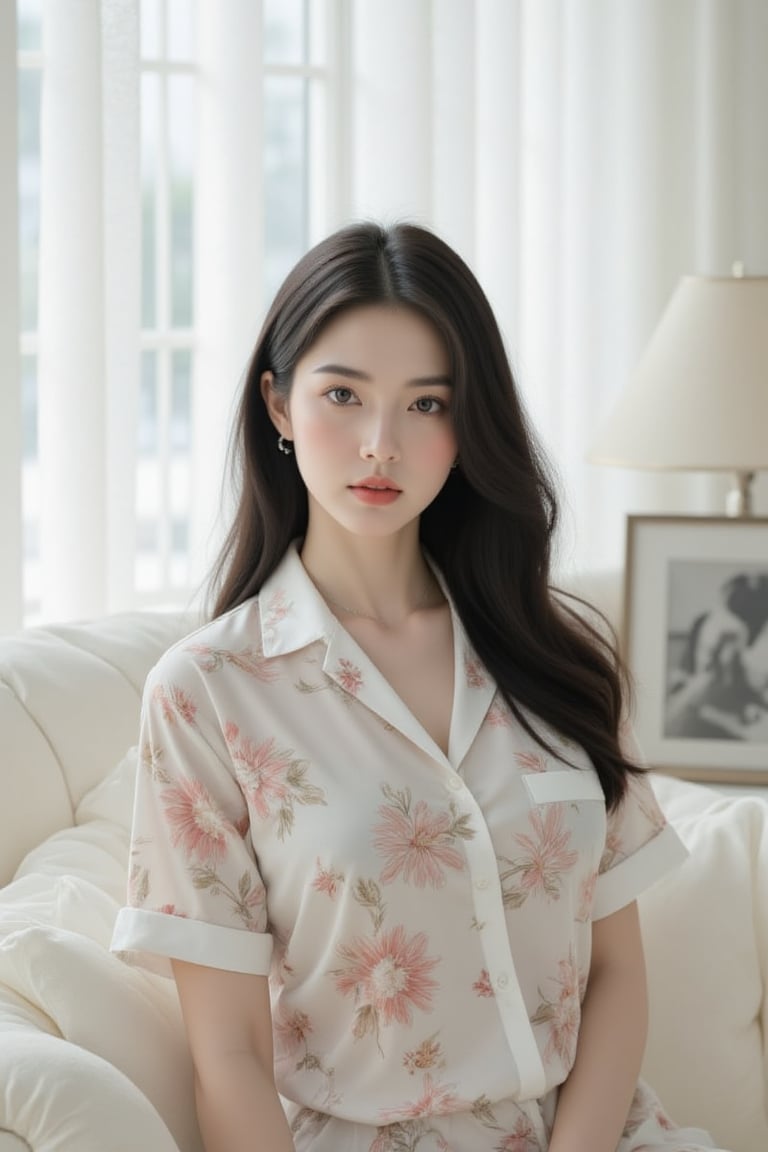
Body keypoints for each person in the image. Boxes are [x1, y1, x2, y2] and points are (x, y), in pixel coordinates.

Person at [111, 222, 723, 1152]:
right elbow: (227, 1053)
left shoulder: (553, 657)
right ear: (277, 405)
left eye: (427, 404)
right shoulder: (209, 694)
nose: (380, 445)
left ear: (468, 423)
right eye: (344, 396)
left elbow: (616, 978)